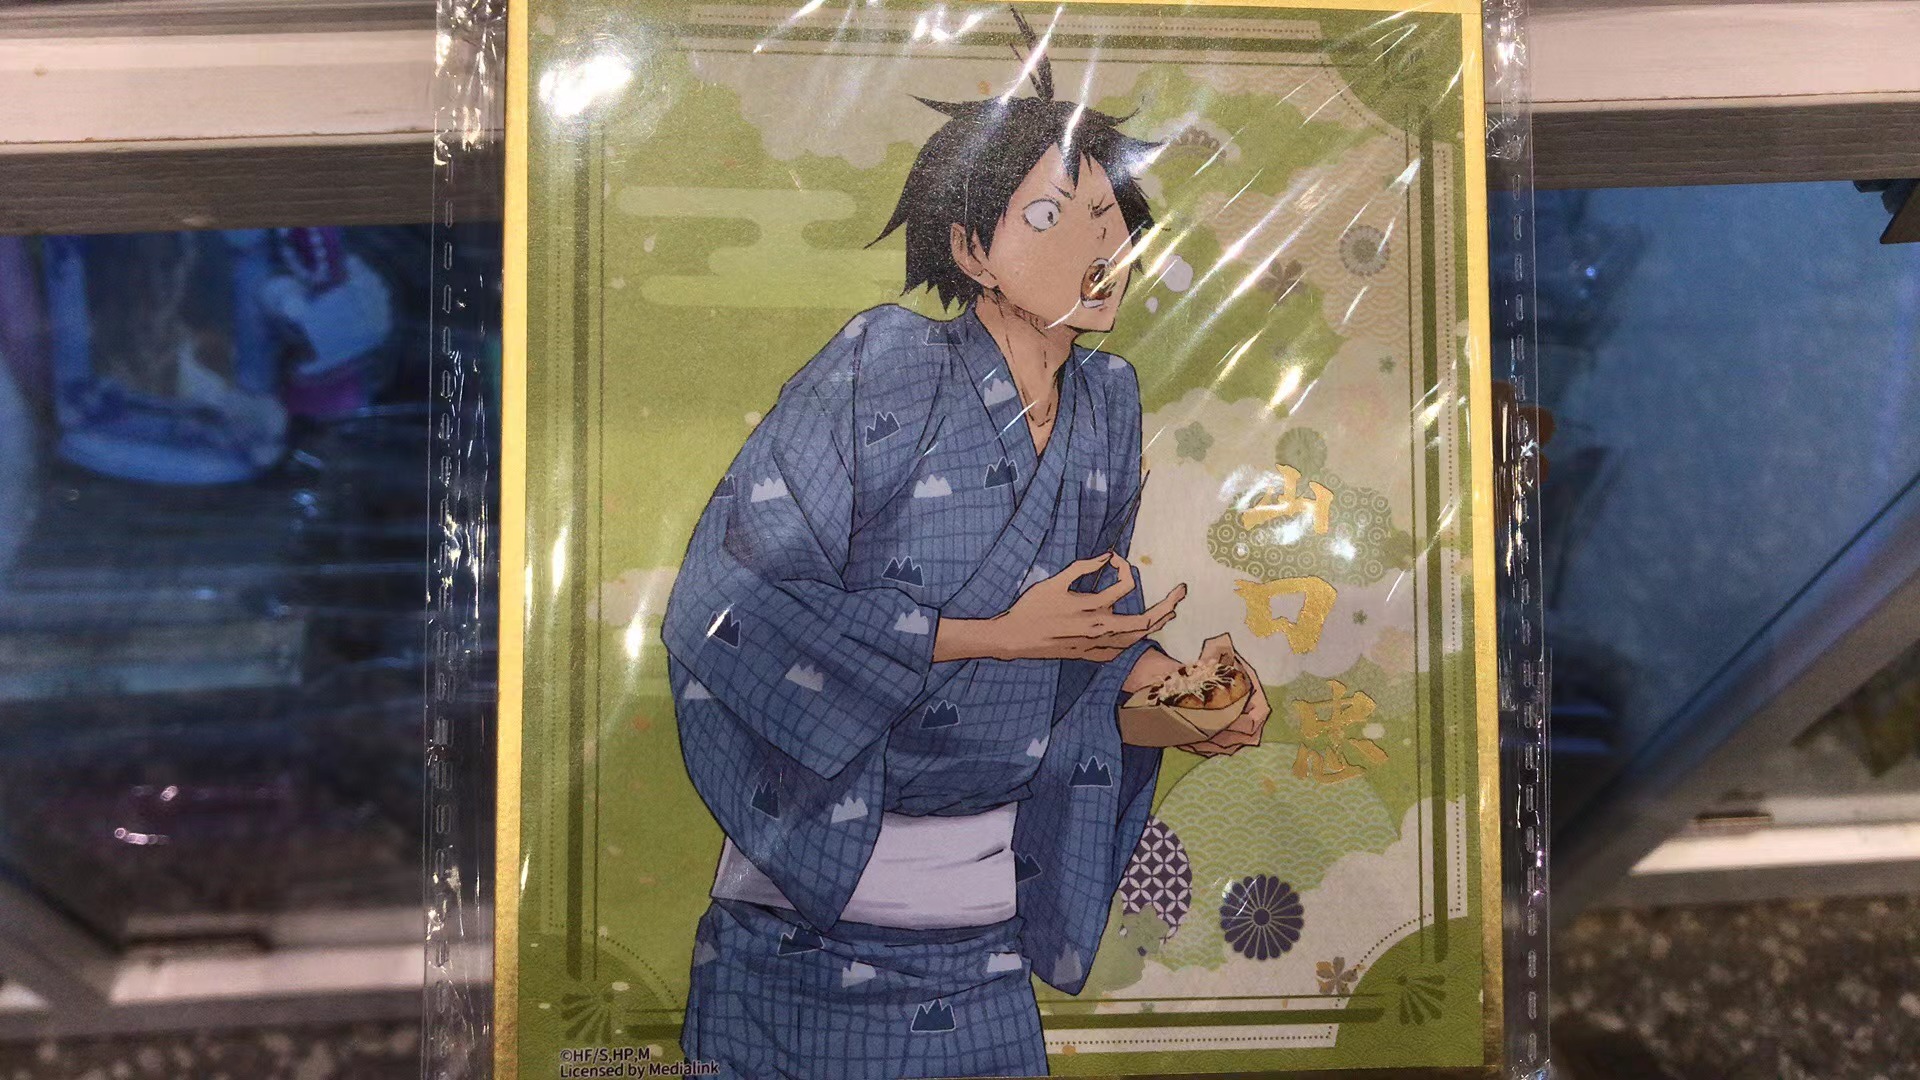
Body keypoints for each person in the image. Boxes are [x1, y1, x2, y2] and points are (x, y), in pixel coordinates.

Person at [661, 14, 1269, 1076]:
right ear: (970, 249)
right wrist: (992, 633)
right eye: (1049, 217)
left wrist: (1169, 695)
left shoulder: (1107, 402)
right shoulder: (885, 362)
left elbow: (1071, 658)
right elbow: (730, 602)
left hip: (984, 939)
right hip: (805, 928)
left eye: (1107, 216)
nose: (1098, 248)